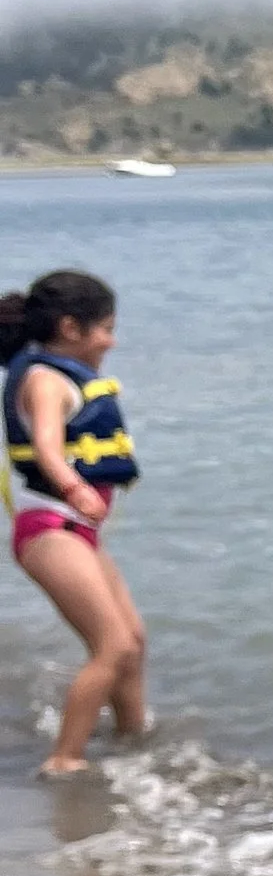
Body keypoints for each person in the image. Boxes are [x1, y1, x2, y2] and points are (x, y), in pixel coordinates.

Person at [3, 268, 148, 776]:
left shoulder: (59, 373)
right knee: (110, 647)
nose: (110, 340)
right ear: (70, 327)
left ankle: (135, 742)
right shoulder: (45, 381)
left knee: (133, 642)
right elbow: (46, 445)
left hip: (75, 531)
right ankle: (64, 760)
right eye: (104, 328)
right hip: (49, 529)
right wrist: (73, 486)